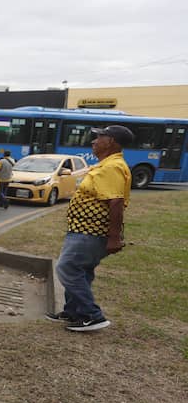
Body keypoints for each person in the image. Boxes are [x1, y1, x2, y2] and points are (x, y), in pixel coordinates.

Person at [46, 125, 135, 332]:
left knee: (67, 268)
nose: (93, 141)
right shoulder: (107, 165)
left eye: (99, 137)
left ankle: (92, 315)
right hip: (83, 230)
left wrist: (114, 237)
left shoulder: (112, 167)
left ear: (111, 141)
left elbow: (116, 202)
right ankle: (73, 311)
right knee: (81, 270)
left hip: (90, 232)